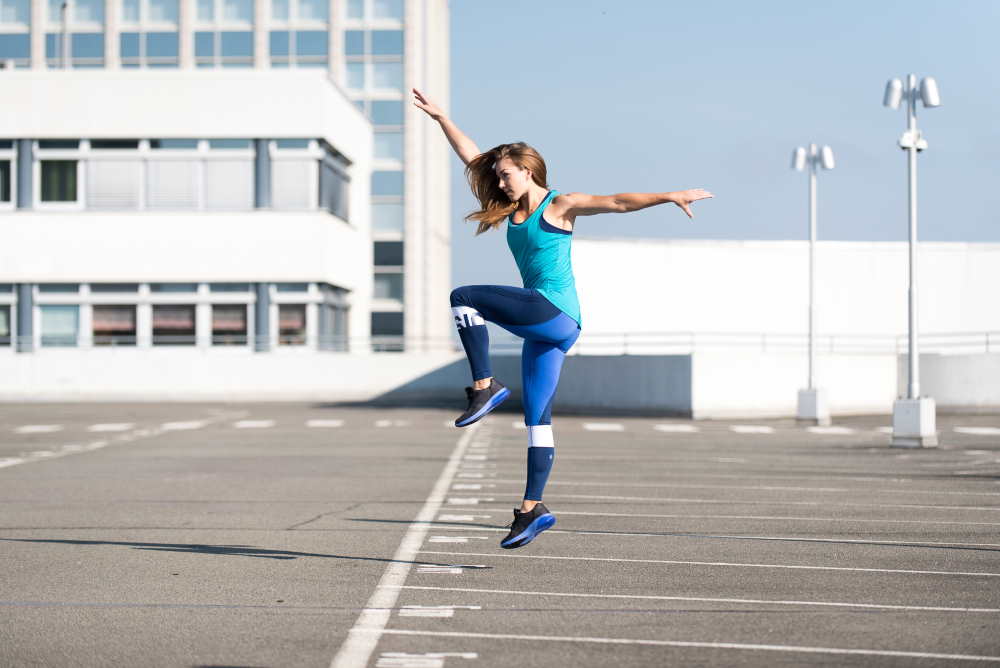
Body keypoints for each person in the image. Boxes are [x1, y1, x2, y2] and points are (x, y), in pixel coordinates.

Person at [413, 88, 713, 549]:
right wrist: (441, 119)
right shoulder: (512, 209)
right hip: (549, 332)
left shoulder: (561, 204)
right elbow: (472, 158)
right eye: (499, 176)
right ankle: (533, 509)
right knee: (537, 419)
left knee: (464, 297)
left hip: (553, 310)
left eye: (507, 174)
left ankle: (483, 386)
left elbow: (618, 202)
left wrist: (667, 195)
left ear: (528, 170)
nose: (502, 182)